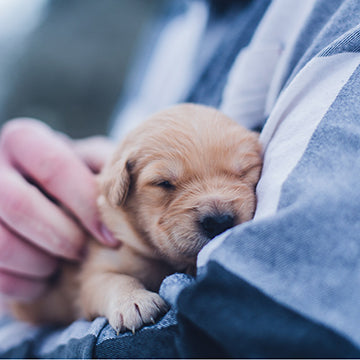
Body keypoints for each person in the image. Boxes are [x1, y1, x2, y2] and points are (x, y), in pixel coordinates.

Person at [1, 0, 360, 357]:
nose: (217, 210)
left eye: (242, 172)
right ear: (119, 190)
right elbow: (97, 284)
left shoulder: (337, 17)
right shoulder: (173, 25)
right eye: (166, 185)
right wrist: (122, 295)